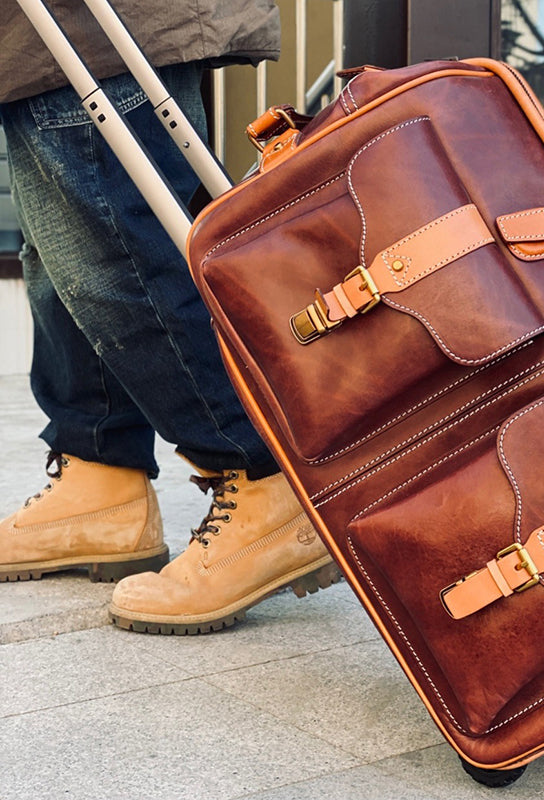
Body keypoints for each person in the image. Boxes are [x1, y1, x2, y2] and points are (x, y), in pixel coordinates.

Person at [0, 0, 339, 633]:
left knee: (117, 259)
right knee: (60, 256)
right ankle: (99, 479)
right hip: (53, 32)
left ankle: (264, 478)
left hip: (87, 24)